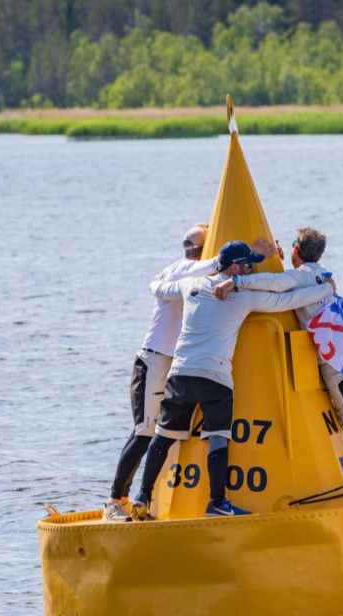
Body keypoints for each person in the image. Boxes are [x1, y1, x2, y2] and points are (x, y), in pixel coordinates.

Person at [131, 240, 334, 518]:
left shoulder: (190, 285)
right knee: (218, 438)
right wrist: (324, 288)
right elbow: (287, 299)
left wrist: (168, 274)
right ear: (236, 267)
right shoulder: (243, 297)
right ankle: (217, 502)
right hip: (215, 376)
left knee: (163, 437)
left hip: (180, 373)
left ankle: (142, 497)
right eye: (248, 264)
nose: (251, 269)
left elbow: (158, 287)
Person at [213, 228, 343, 504]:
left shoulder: (302, 277)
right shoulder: (322, 275)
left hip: (337, 367)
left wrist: (237, 283)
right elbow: (286, 282)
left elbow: (276, 284)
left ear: (295, 250)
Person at [103, 224, 216, 522]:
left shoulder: (185, 273)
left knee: (164, 432)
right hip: (153, 359)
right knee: (144, 431)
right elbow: (214, 267)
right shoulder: (185, 269)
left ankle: (145, 499)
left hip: (173, 362)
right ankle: (115, 500)